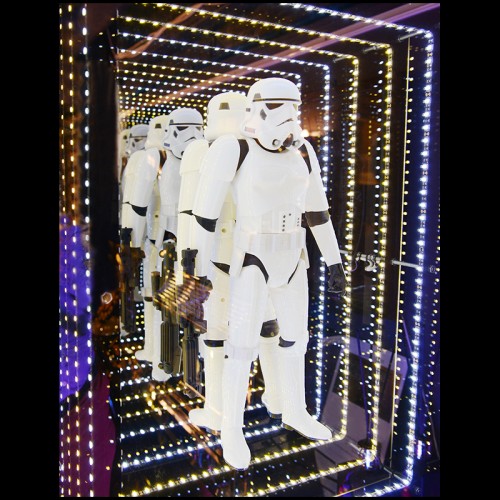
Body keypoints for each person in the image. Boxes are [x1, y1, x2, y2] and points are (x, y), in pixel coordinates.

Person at [189, 77, 347, 469]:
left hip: (294, 258)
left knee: (296, 340)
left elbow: (318, 212)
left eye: (294, 107)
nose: (288, 116)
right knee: (241, 345)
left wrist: (334, 260)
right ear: (256, 108)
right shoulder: (234, 148)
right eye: (278, 107)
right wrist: (198, 265)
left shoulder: (303, 151)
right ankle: (232, 428)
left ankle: (296, 410)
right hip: (252, 258)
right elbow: (205, 213)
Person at [176, 91, 282, 433]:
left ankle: (219, 411)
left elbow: (191, 213)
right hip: (263, 257)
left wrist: (188, 270)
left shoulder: (204, 151)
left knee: (218, 333)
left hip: (219, 256)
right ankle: (277, 400)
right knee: (265, 325)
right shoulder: (267, 150)